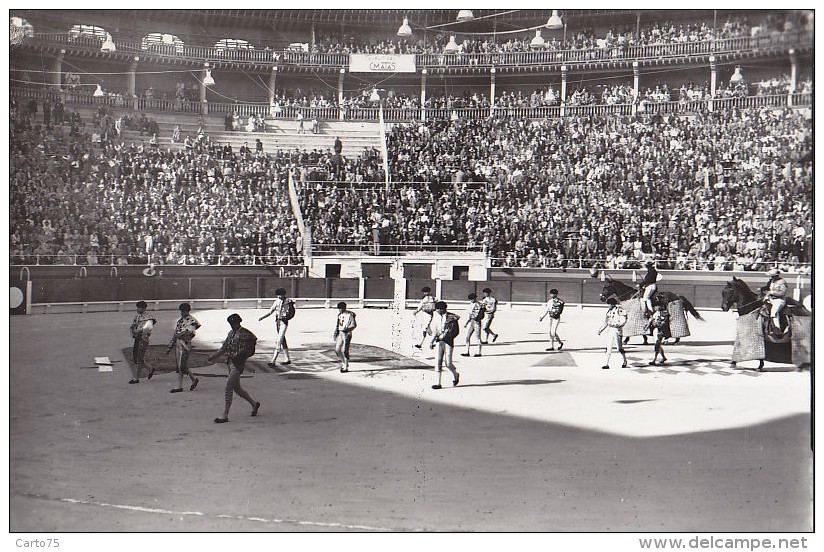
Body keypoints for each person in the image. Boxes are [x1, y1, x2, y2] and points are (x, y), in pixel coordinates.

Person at [207, 314, 260, 424]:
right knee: (237, 389)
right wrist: (213, 356)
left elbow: (250, 350)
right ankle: (254, 404)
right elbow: (224, 348)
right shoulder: (231, 333)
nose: (233, 325)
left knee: (228, 387)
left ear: (238, 322)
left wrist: (242, 356)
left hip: (238, 364)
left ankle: (225, 414)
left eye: (234, 323)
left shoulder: (246, 334)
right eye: (231, 323)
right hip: (230, 363)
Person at [166, 302, 201, 393]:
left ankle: (180, 386)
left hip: (185, 344)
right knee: (180, 365)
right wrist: (170, 346)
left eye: (184, 311)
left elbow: (191, 333)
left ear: (188, 311)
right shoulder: (180, 321)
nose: (182, 313)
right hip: (178, 344)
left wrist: (180, 334)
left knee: (181, 366)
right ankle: (191, 380)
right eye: (181, 311)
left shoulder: (192, 320)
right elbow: (175, 334)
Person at [259, 287, 295, 366]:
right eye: (278, 295)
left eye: (280, 295)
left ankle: (273, 361)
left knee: (279, 340)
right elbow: (270, 311)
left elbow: (292, 313)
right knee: (282, 340)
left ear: (283, 295)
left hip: (284, 322)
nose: (279, 297)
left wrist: (286, 318)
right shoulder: (277, 301)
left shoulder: (289, 302)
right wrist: (262, 317)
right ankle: (287, 359)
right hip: (278, 322)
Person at [430, 301, 460, 390]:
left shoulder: (452, 318)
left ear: (442, 309)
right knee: (438, 362)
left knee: (448, 363)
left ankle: (455, 374)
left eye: (437, 309)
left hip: (448, 342)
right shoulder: (436, 317)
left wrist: (447, 336)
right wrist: (431, 341)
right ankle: (438, 383)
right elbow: (435, 330)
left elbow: (456, 332)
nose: (436, 311)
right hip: (439, 341)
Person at [128, 300, 156, 384]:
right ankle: (150, 369)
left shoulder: (149, 317)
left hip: (143, 339)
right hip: (137, 338)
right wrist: (133, 332)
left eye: (139, 308)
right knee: (137, 357)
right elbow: (132, 326)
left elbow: (148, 328)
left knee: (139, 358)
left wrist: (137, 331)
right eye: (137, 307)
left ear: (144, 308)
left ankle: (136, 378)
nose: (137, 309)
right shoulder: (137, 317)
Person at [597, 298, 628, 370]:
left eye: (609, 304)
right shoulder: (609, 312)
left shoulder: (620, 311)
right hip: (610, 330)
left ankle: (624, 361)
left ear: (613, 304)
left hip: (617, 330)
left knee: (619, 348)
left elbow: (623, 320)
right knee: (608, 347)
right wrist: (601, 330)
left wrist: (617, 324)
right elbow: (606, 322)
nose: (608, 306)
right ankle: (606, 364)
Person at [333, 302, 357, 373]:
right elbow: (337, 325)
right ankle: (344, 362)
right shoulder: (339, 315)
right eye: (339, 308)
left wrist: (347, 330)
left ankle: (345, 366)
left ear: (344, 308)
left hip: (347, 334)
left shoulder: (350, 315)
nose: (340, 310)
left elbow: (354, 325)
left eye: (341, 308)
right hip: (340, 333)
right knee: (337, 350)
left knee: (344, 350)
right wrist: (335, 333)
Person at [461, 293, 484, 357]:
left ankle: (479, 352)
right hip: (472, 322)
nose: (471, 300)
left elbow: (474, 315)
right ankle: (467, 351)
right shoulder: (472, 304)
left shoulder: (478, 305)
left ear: (475, 298)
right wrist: (467, 322)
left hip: (476, 322)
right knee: (467, 337)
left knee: (478, 337)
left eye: (472, 299)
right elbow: (470, 315)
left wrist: (467, 322)